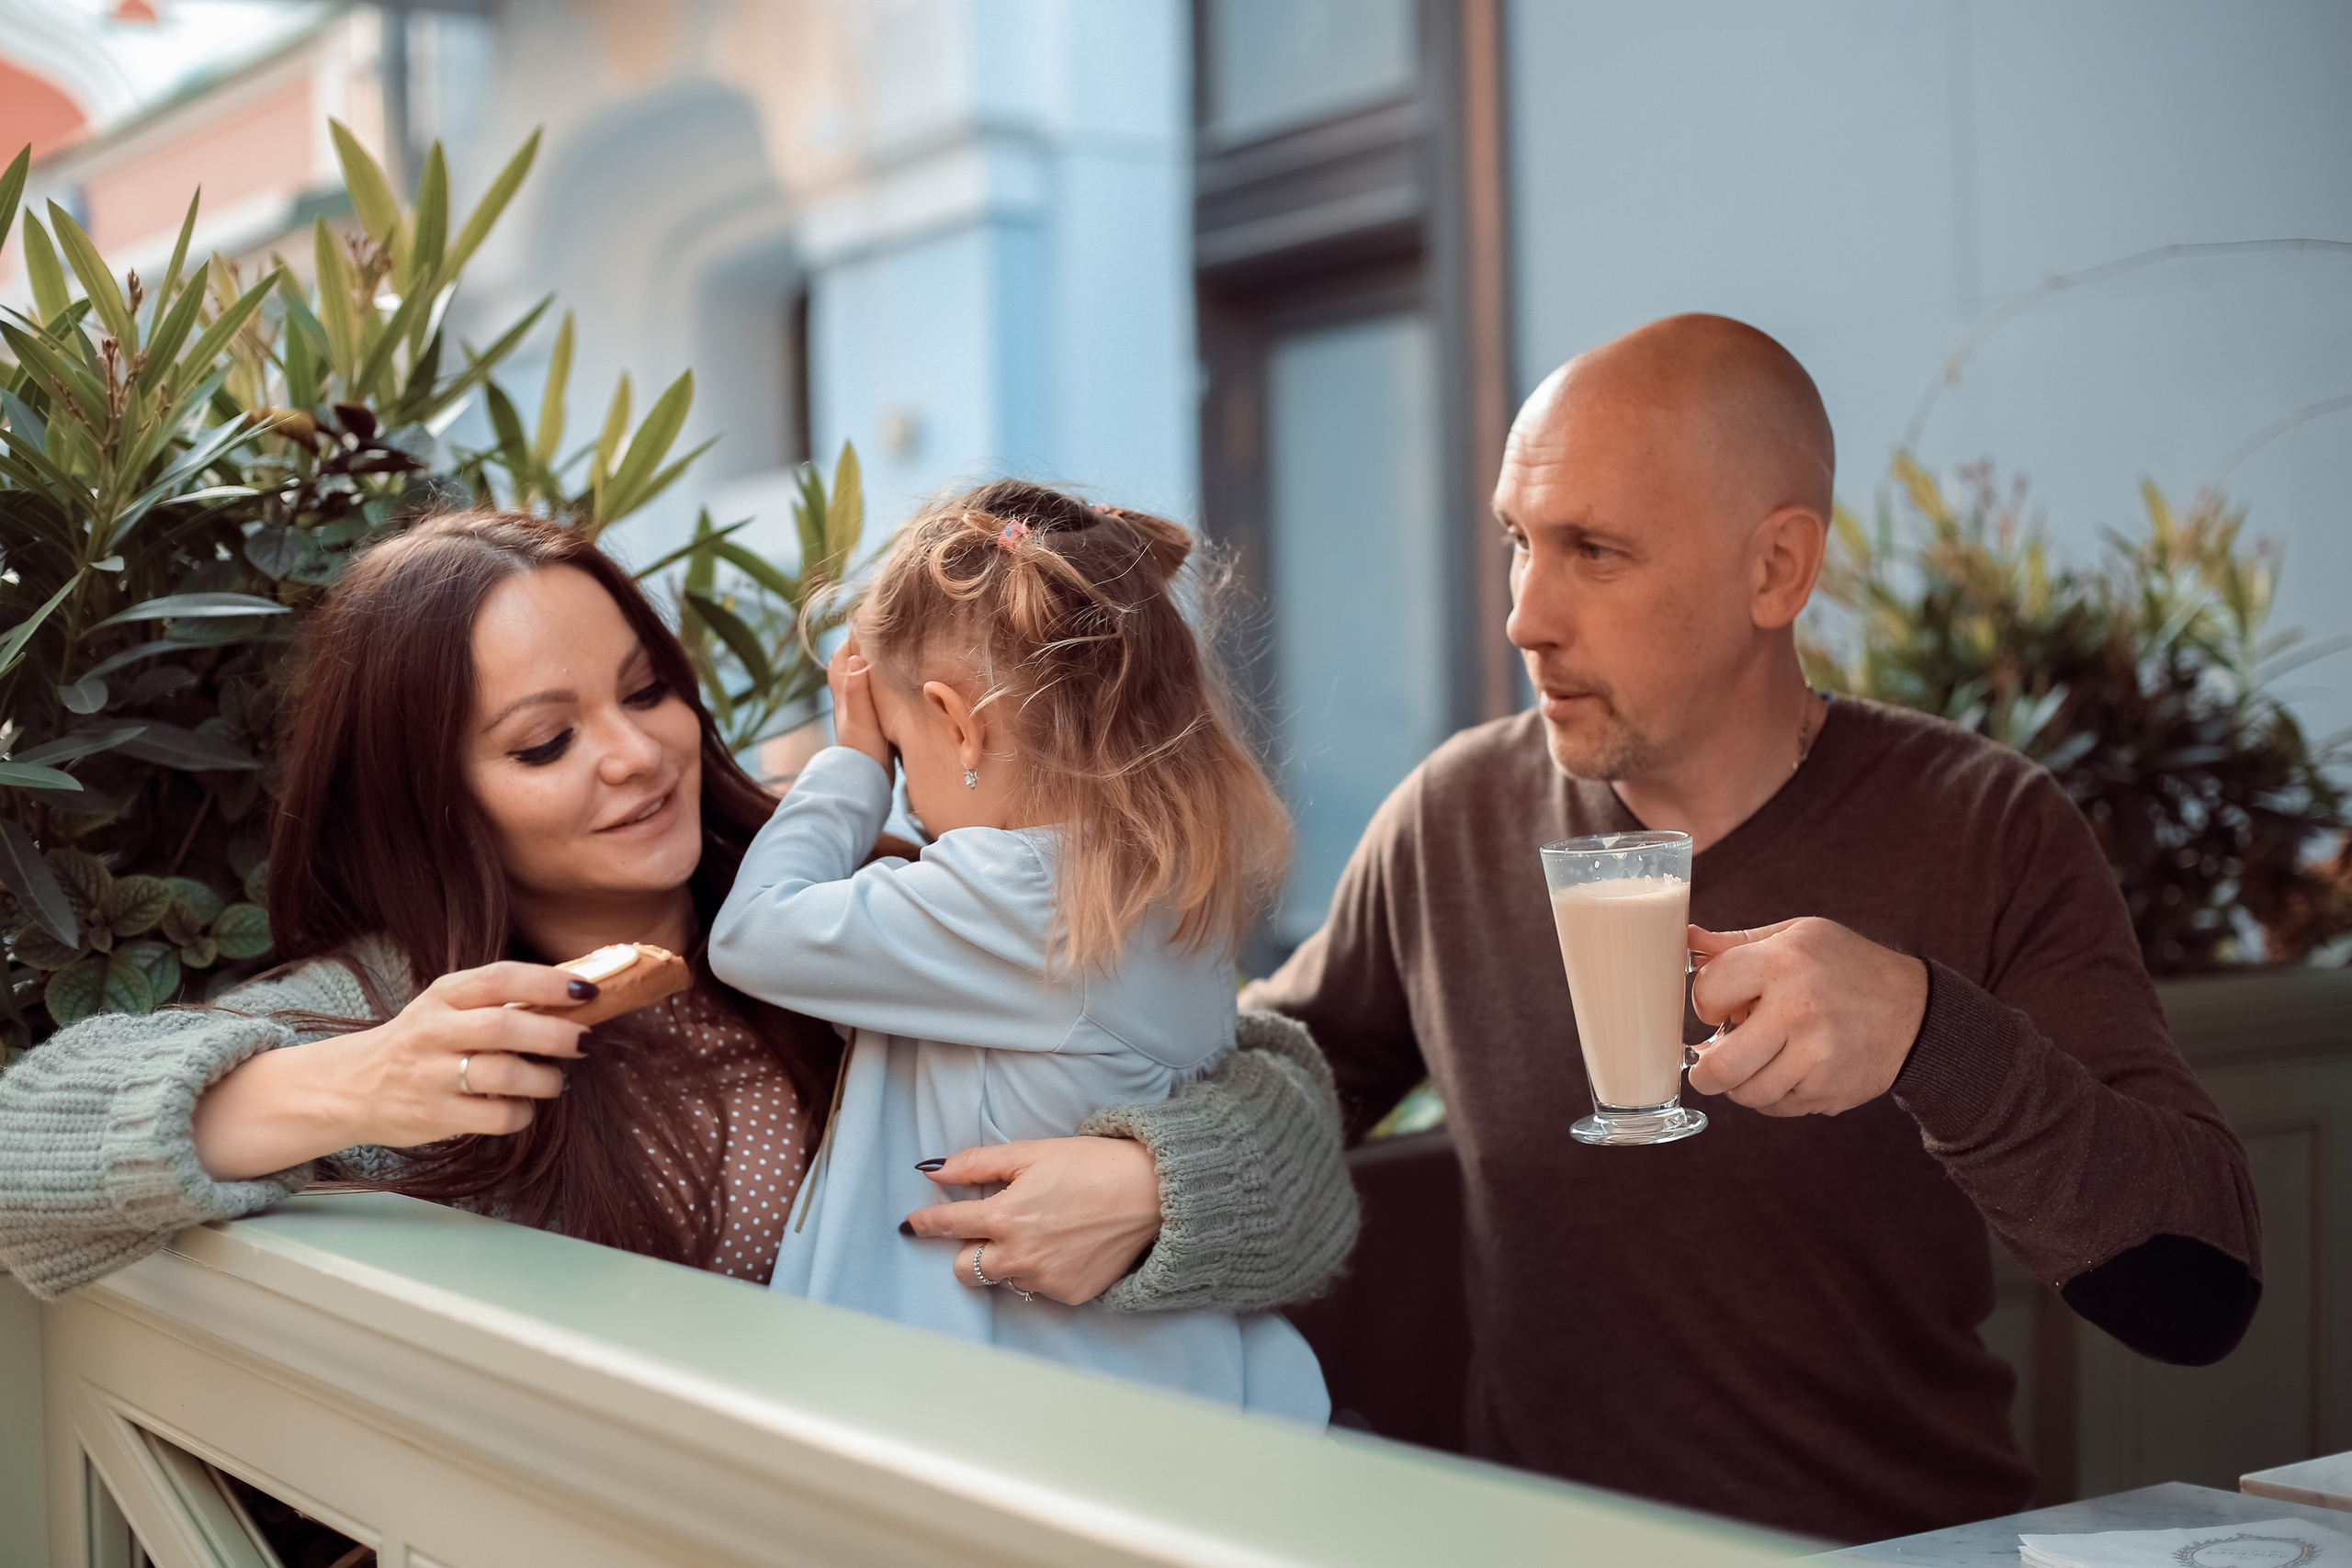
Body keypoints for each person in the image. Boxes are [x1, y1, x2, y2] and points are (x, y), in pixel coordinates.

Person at [1243, 315, 2261, 1542]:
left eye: (1595, 550)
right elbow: (1285, 1066)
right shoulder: (1456, 815)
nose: (1526, 615)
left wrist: (1931, 1033)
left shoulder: (1985, 825)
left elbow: (2203, 1290)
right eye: (1520, 541)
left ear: (1777, 569)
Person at [0, 512, 1360, 1328]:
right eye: (545, 742)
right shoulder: (404, 1011)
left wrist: (1157, 1187)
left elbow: (1269, 1091)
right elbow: (18, 1156)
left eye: (646, 689)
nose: (638, 754)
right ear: (435, 794)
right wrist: (342, 1079)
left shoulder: (867, 889)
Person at [710, 483, 1327, 1421]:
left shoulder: (1018, 897)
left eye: (903, 752)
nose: (908, 803)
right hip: (1147, 1396)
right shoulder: (1156, 884)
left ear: (960, 725)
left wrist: (846, 770)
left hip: (1009, 1423)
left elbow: (754, 934)